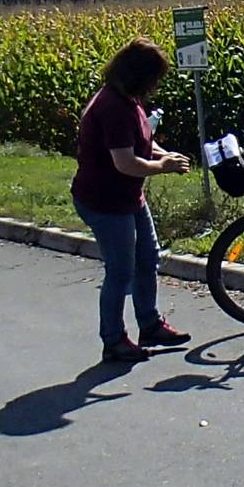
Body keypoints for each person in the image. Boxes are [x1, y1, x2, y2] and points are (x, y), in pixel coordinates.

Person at [70, 38, 192, 363]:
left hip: (128, 196)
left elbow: (140, 144)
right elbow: (125, 162)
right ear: (138, 75)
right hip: (104, 201)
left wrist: (165, 155)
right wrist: (163, 167)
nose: (155, 86)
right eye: (153, 79)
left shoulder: (129, 99)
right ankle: (114, 340)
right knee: (121, 271)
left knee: (148, 258)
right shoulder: (112, 107)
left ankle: (150, 324)